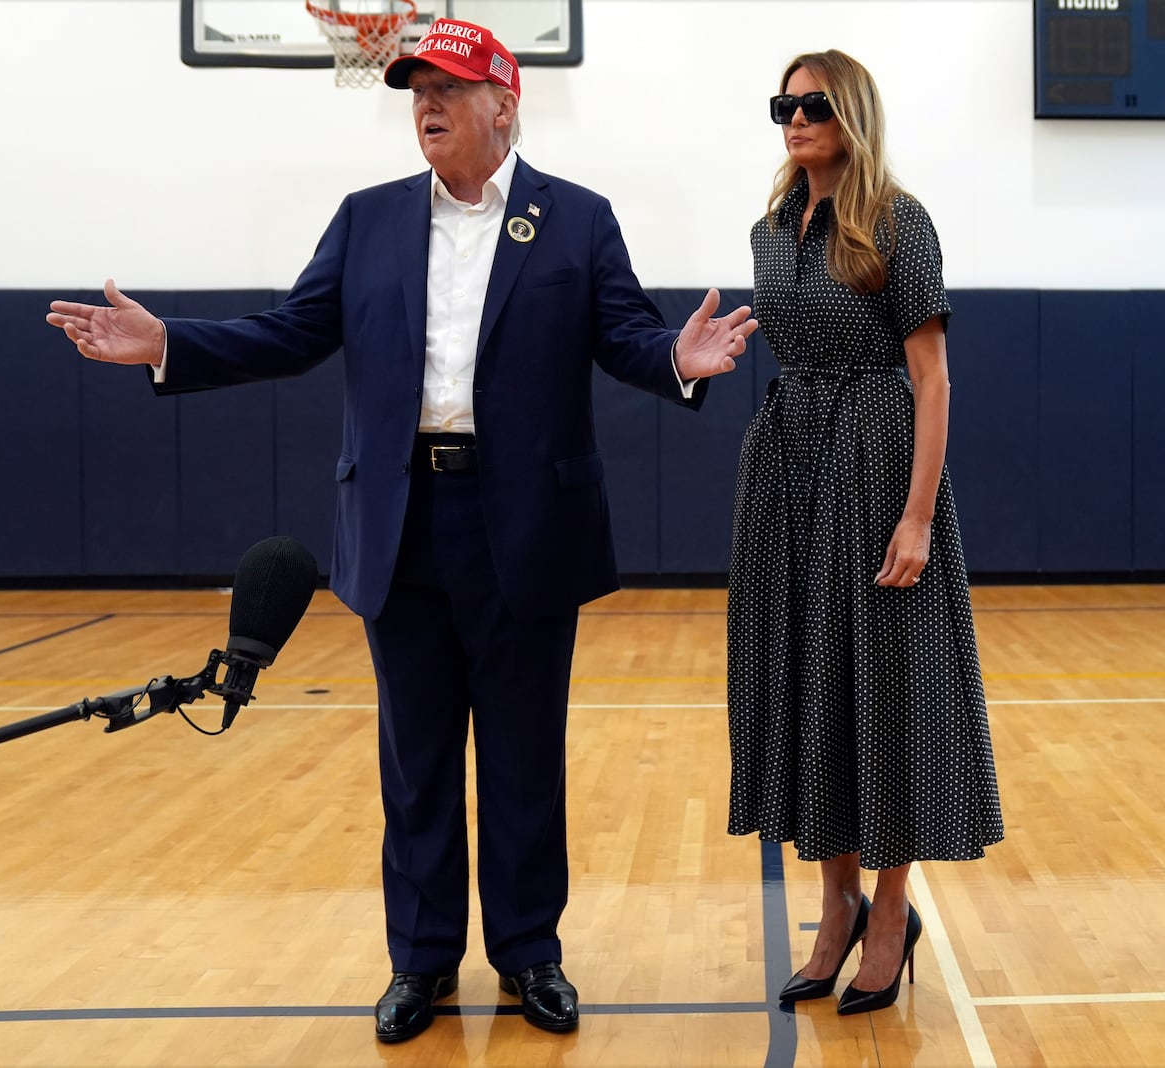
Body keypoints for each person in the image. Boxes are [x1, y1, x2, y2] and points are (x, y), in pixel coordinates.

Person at [47, 19, 757, 1043]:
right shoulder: (367, 219)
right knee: (416, 759)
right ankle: (420, 960)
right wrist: (171, 345)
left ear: (504, 105)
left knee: (521, 758)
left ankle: (528, 954)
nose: (426, 106)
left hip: (524, 524)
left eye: (450, 90)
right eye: (417, 91)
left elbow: (627, 338)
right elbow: (290, 330)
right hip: (402, 519)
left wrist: (680, 363)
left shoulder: (578, 221)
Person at [725, 49, 1004, 1016]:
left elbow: (931, 378)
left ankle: (892, 910)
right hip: (790, 464)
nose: (793, 120)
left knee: (885, 689)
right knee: (811, 679)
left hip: (879, 459)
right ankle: (835, 900)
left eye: (811, 105)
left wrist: (918, 514)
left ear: (850, 113)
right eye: (782, 106)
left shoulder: (898, 218)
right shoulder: (771, 227)